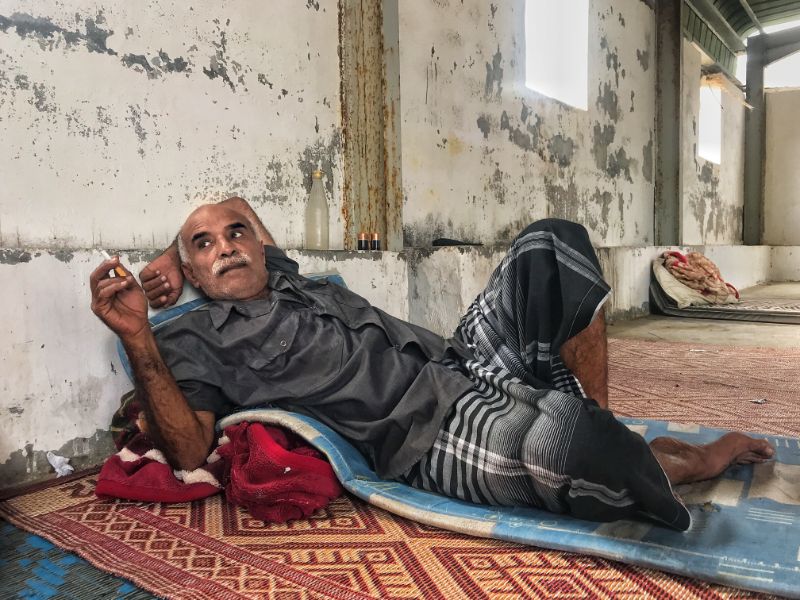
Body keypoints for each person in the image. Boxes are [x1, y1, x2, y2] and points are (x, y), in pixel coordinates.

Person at [90, 197, 774, 530]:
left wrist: (169, 254)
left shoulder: (290, 276)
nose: (228, 246)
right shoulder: (192, 337)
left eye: (236, 232)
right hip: (428, 433)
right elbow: (189, 447)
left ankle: (598, 413)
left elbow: (233, 213)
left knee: (554, 244)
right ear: (194, 274)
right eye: (204, 246)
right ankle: (677, 459)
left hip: (462, 359)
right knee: (594, 454)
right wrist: (140, 335)